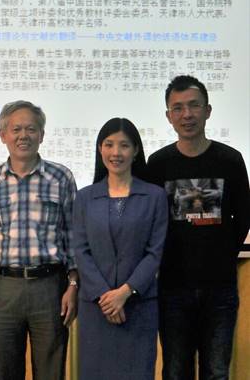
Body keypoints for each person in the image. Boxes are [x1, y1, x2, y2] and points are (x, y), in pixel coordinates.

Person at [146, 75, 249, 380]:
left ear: (208, 110)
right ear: (168, 116)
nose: (187, 114)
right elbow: (151, 222)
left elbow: (243, 217)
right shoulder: (158, 164)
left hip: (220, 288)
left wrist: (222, 253)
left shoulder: (230, 160)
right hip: (173, 287)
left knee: (216, 371)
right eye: (178, 108)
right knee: (176, 371)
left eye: (194, 106)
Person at [0, 100, 79, 380]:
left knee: (51, 372)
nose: (23, 136)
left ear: (42, 134)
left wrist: (73, 285)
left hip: (50, 287)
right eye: (16, 129)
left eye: (31, 129)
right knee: (5, 371)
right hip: (3, 289)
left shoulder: (61, 177)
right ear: (2, 135)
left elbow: (73, 237)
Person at [73, 118, 168, 379]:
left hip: (138, 306)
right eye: (109, 144)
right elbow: (80, 250)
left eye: (124, 145)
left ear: (135, 150)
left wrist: (125, 292)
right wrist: (106, 296)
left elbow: (155, 252)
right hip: (97, 307)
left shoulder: (155, 196)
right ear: (100, 149)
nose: (116, 152)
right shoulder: (84, 197)